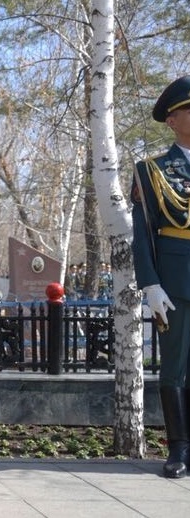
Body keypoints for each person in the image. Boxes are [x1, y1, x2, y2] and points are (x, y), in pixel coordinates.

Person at [130, 75, 190, 479]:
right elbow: (143, 232)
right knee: (175, 368)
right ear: (173, 120)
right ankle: (180, 448)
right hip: (176, 280)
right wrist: (149, 283)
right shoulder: (152, 171)